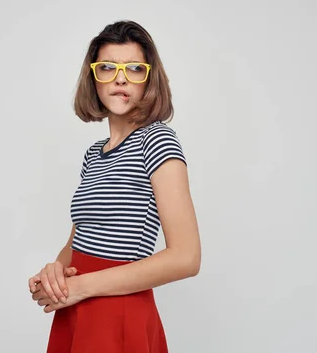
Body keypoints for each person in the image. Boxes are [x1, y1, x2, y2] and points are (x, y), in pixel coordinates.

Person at [27, 20, 201, 352]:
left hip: (117, 311)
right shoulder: (94, 155)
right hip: (77, 308)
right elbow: (77, 240)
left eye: (134, 68)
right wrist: (55, 274)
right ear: (93, 78)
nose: (120, 78)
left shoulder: (157, 140)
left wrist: (82, 287)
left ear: (149, 79)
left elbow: (187, 257)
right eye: (107, 67)